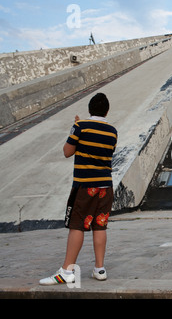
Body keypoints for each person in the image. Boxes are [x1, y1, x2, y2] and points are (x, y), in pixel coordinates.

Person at [40, 93, 118, 286]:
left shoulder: (80, 126)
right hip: (105, 186)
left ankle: (67, 271)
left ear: (89, 109)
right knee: (100, 225)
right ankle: (99, 269)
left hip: (85, 186)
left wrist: (74, 128)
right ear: (107, 111)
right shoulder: (112, 131)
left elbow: (67, 152)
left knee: (77, 225)